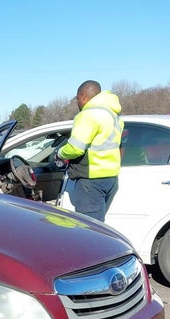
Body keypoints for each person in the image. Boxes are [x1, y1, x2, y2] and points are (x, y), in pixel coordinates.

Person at [55, 80, 123, 222]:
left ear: (84, 96)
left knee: (89, 229)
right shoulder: (113, 114)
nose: (78, 103)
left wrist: (60, 153)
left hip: (91, 181)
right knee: (98, 225)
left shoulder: (88, 115)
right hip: (110, 178)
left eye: (78, 99)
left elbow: (75, 148)